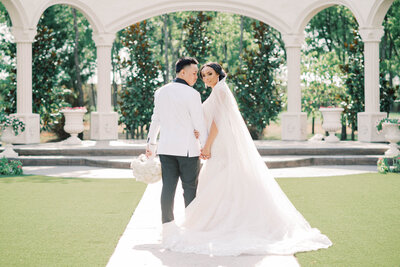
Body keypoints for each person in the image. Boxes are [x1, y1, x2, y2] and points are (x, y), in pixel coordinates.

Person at [161, 62, 332, 256]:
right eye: (202, 75)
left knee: (223, 180)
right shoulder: (215, 92)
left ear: (218, 74)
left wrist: (207, 144)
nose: (205, 78)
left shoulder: (221, 92)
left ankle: (226, 222)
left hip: (220, 142)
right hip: (217, 142)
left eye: (209, 74)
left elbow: (218, 122)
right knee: (219, 182)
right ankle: (219, 220)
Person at [146, 57, 208, 224]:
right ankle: (192, 224)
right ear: (183, 72)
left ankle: (167, 225)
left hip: (166, 149)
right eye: (194, 73)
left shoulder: (160, 92)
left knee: (167, 189)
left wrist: (151, 144)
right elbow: (199, 123)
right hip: (188, 150)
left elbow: (155, 119)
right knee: (189, 189)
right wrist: (205, 145)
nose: (196, 77)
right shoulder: (193, 94)